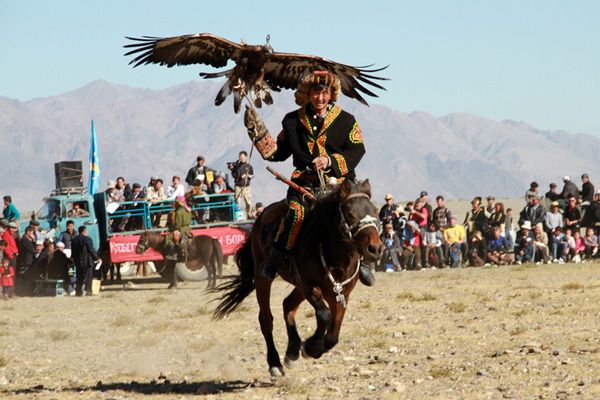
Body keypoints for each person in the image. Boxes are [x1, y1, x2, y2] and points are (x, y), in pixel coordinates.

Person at [243, 71, 373, 285]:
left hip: (340, 185)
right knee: (295, 214)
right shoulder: (292, 121)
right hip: (305, 184)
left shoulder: (347, 121)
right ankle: (275, 259)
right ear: (308, 94)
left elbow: (358, 150)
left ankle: (363, 262)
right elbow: (276, 153)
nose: (320, 98)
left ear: (331, 94)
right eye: (315, 92)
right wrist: (257, 132)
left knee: (357, 216)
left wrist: (330, 161)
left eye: (325, 93)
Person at [71, 226, 99, 296]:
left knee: (79, 277)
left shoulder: (74, 240)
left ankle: (78, 291)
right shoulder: (87, 239)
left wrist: (74, 260)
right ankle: (88, 291)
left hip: (78, 261)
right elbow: (91, 249)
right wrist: (97, 258)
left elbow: (73, 252)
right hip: (87, 261)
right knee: (88, 277)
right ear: (85, 231)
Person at [165, 196, 193, 261]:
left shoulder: (178, 212)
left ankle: (173, 254)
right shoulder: (188, 209)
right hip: (188, 228)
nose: (174, 204)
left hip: (181, 229)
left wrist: (174, 228)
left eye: (176, 202)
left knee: (168, 238)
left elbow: (178, 225)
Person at [230, 151, 255, 218]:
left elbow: (252, 175)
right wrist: (232, 169)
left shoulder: (249, 166)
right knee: (237, 201)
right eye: (240, 156)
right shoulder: (237, 165)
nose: (240, 158)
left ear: (245, 157)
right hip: (238, 186)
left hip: (246, 186)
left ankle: (249, 215)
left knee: (248, 202)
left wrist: (246, 175)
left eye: (242, 156)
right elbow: (233, 175)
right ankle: (237, 216)